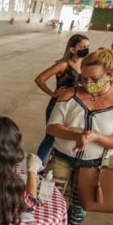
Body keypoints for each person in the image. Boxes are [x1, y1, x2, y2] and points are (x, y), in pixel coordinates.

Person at [46, 48, 113, 225]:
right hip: (62, 158)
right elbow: (52, 127)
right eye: (83, 78)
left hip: (94, 165)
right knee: (49, 203)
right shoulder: (70, 94)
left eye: (93, 79)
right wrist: (77, 135)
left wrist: (96, 137)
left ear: (110, 75)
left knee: (79, 211)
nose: (87, 84)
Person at [34, 34, 90, 165]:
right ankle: (37, 168)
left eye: (87, 46)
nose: (86, 49)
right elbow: (40, 79)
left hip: (75, 108)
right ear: (72, 49)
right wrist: (52, 93)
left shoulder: (85, 65)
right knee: (50, 138)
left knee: (67, 138)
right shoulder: (63, 65)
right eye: (82, 47)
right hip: (57, 106)